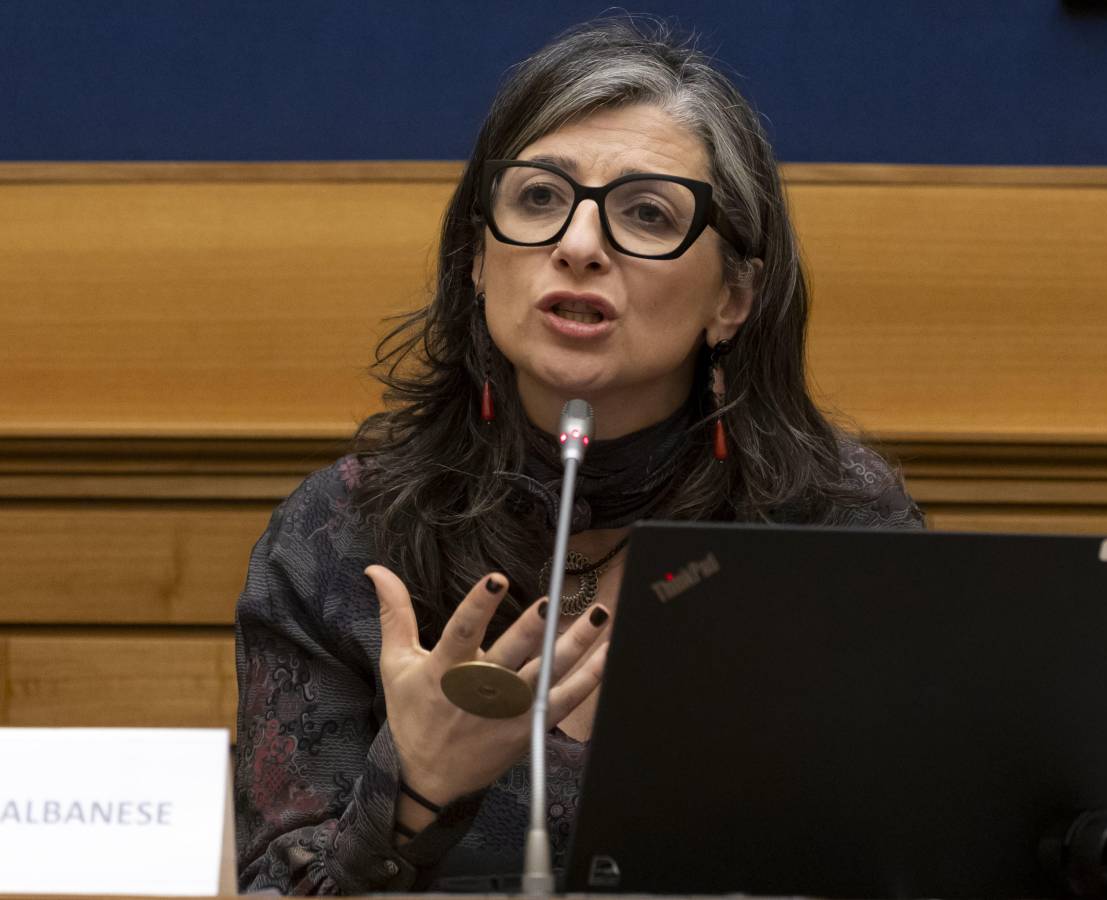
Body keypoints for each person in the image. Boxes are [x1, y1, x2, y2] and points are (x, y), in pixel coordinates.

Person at [234, 16, 924, 895]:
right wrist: (414, 789)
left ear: (734, 296)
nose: (580, 245)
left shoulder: (836, 530)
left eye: (648, 214)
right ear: (477, 260)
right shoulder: (344, 538)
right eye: (538, 198)